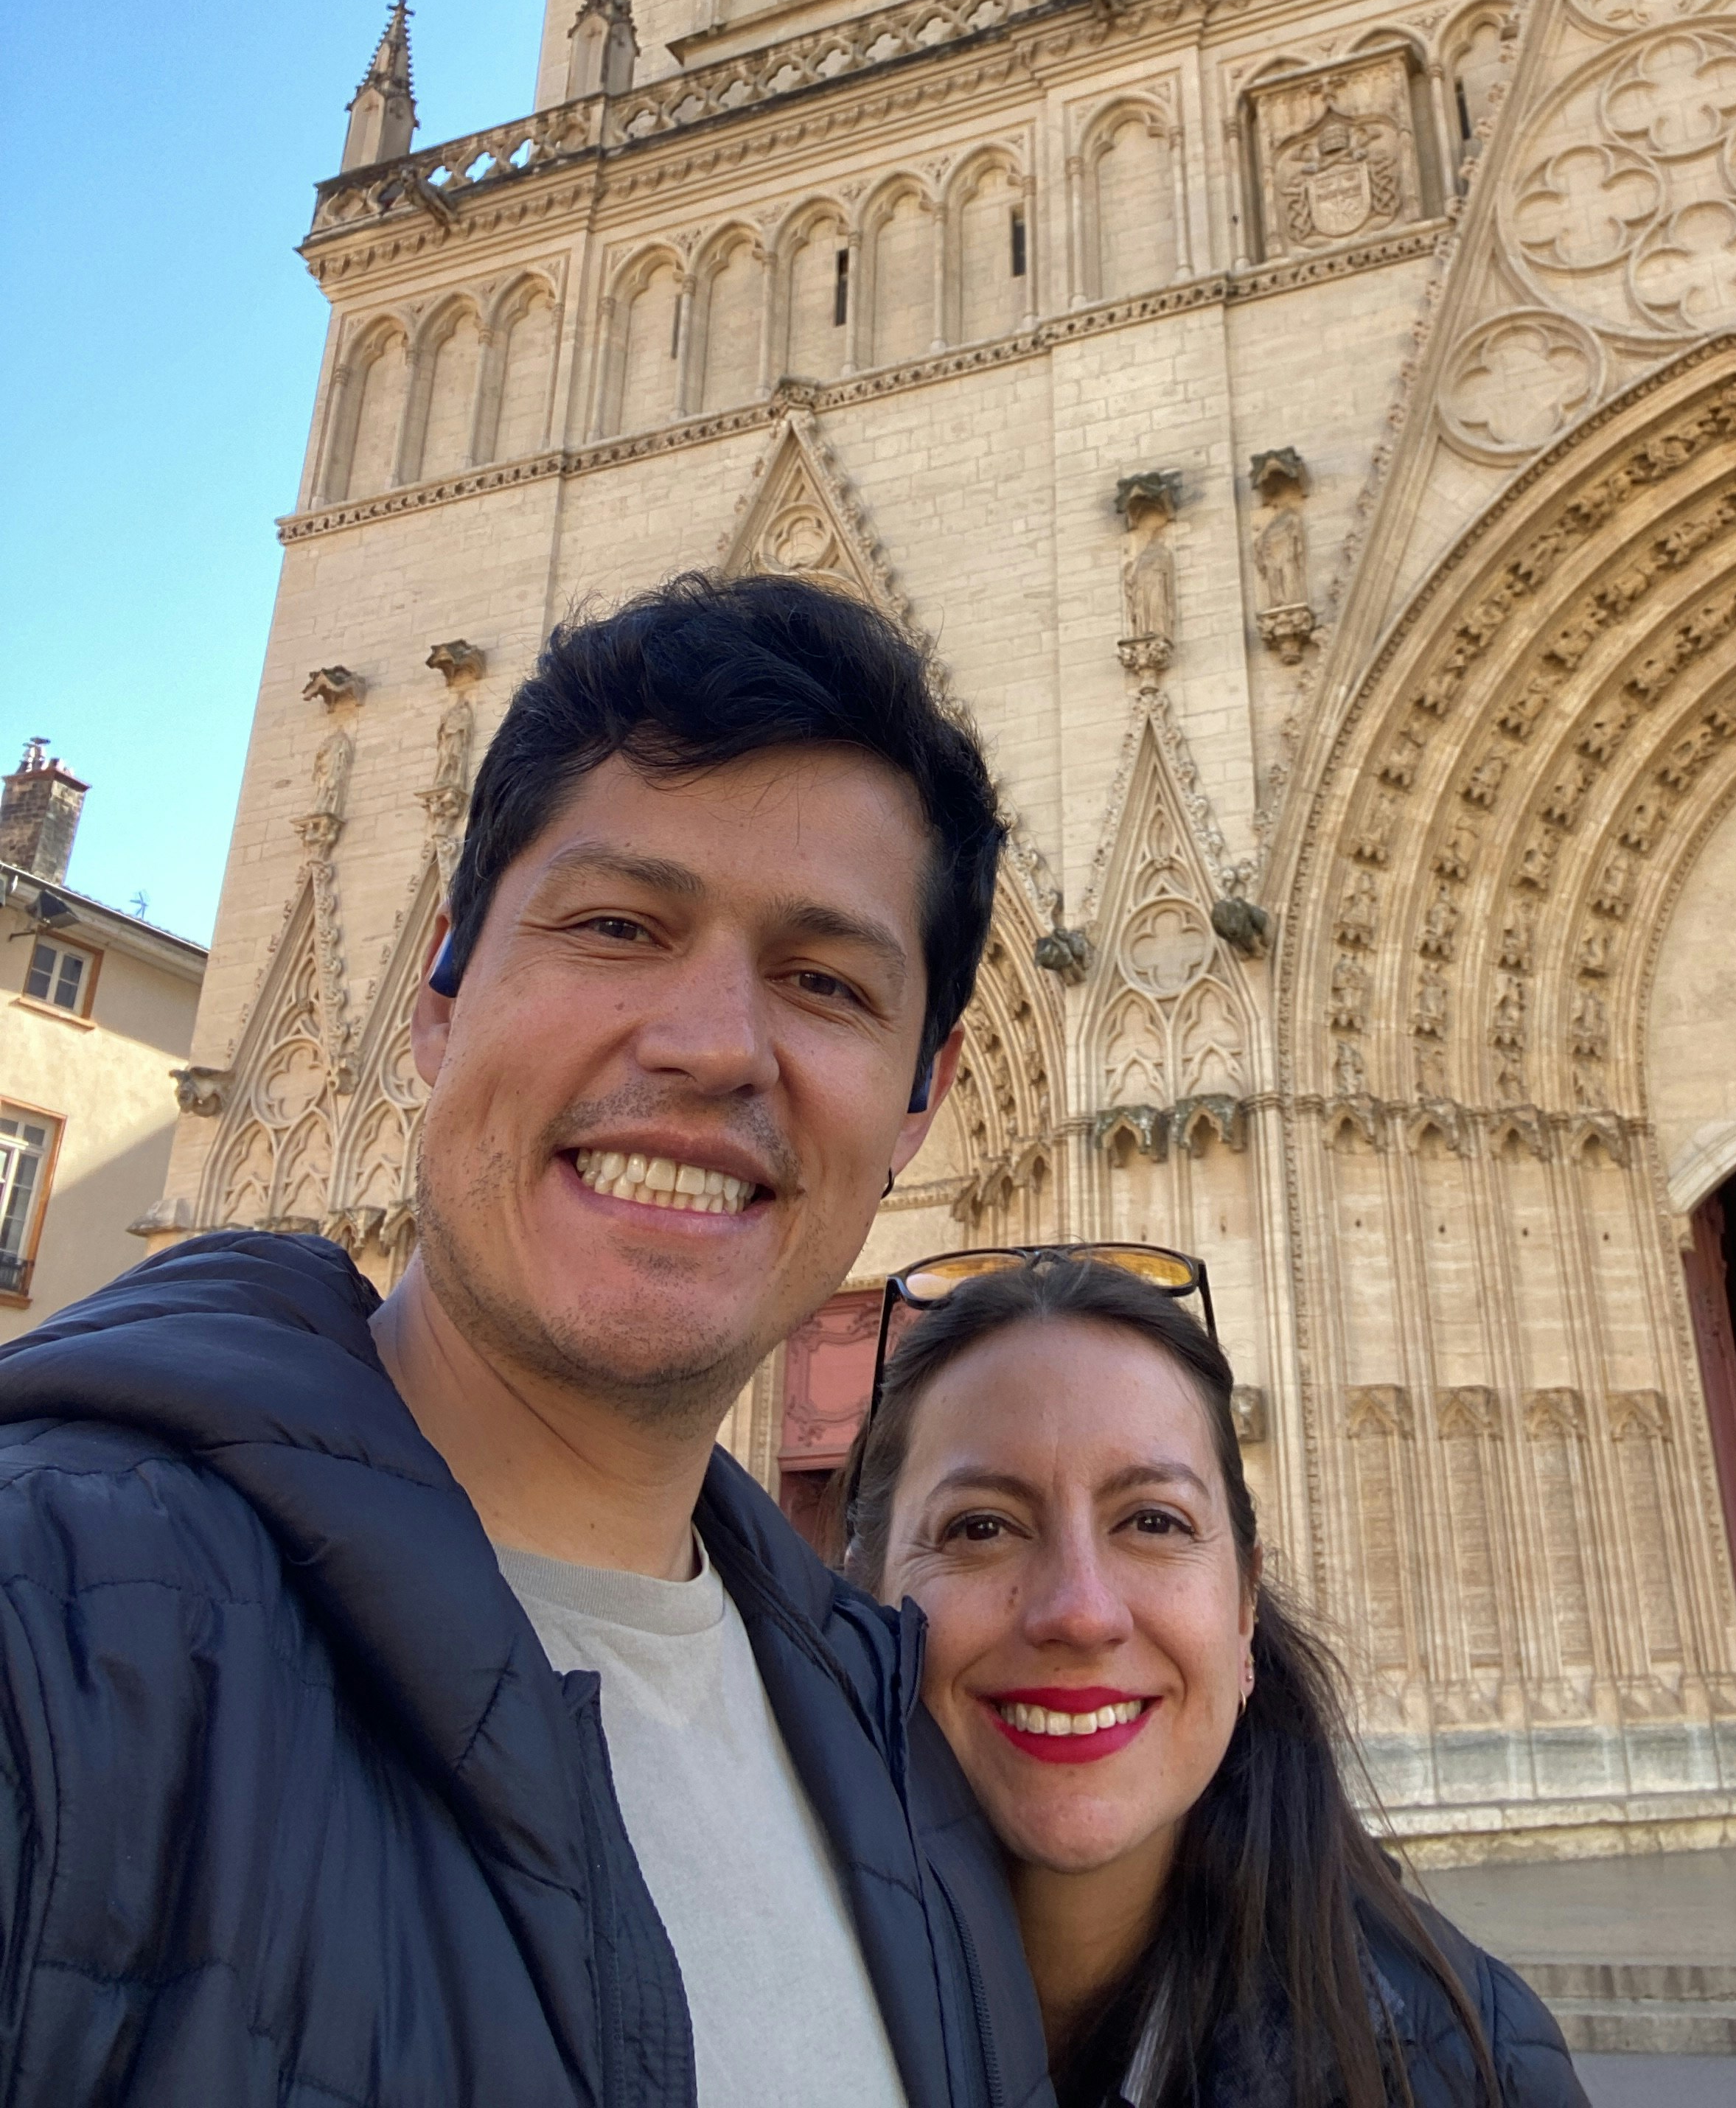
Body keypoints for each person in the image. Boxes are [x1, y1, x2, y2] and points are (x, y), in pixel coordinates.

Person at [0, 573, 1053, 2105]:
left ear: (921, 1099)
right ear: (438, 990)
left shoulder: (904, 1756)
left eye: (824, 981)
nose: (709, 1043)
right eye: (617, 926)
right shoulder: (57, 1621)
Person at [843, 1246, 1590, 2108]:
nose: (1080, 1613)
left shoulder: (1470, 2069)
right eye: (981, 1528)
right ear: (861, 1589)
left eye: (1153, 1521)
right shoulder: (728, 2003)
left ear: (1244, 1609)